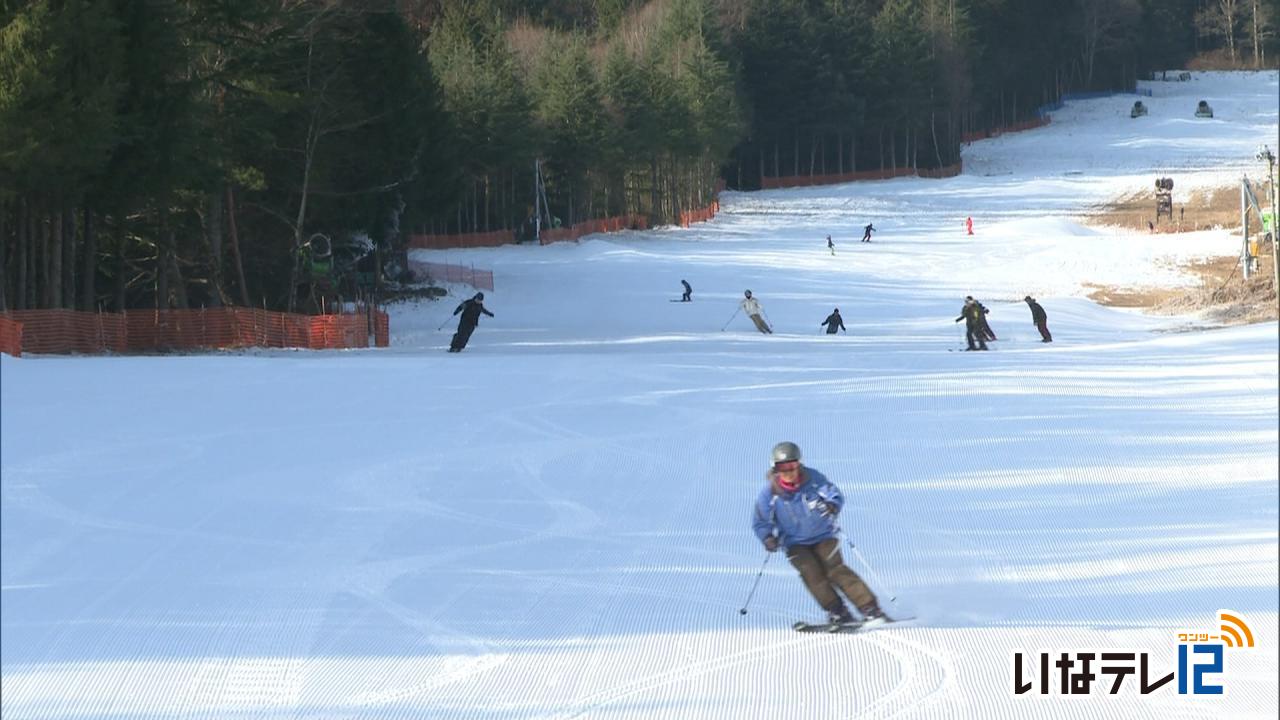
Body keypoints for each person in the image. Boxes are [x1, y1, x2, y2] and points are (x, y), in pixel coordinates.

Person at [752, 441, 887, 627]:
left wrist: (832, 505)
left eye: (792, 466)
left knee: (835, 569)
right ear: (775, 469)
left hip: (824, 535)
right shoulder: (770, 493)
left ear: (799, 464)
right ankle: (837, 611)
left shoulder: (813, 479)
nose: (788, 472)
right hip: (794, 542)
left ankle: (870, 608)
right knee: (810, 572)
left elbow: (834, 494)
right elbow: (760, 521)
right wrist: (767, 537)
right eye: (782, 468)